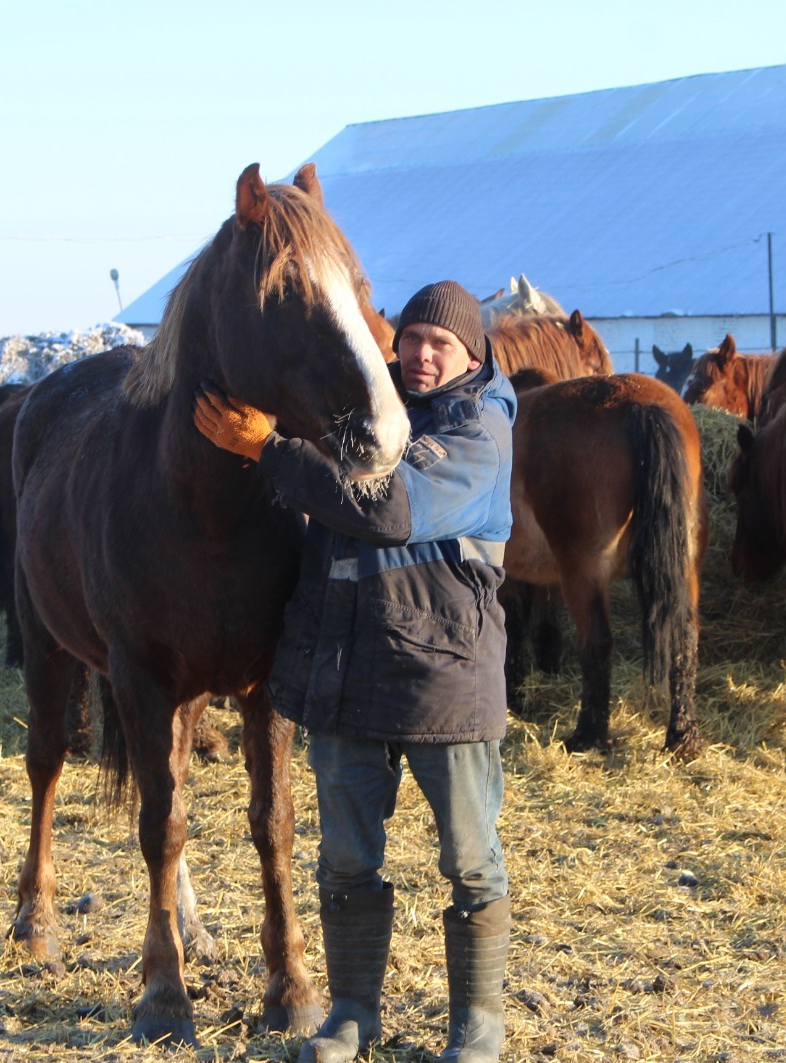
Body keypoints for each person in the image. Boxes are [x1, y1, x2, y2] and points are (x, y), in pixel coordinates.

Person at [192, 279, 515, 1063]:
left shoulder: (478, 429)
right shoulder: (368, 415)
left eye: (441, 344)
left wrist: (267, 450)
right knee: (344, 859)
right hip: (343, 673)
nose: (423, 354)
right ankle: (352, 1010)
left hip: (442, 677)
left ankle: (478, 1026)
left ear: (471, 354)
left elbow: (389, 509)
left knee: (470, 861)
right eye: (411, 339)